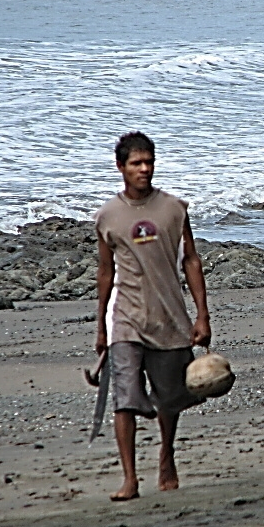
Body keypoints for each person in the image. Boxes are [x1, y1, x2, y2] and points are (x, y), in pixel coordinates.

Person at [95, 131, 212, 501]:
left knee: (170, 398)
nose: (144, 169)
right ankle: (129, 478)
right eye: (136, 164)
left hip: (170, 317)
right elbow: (105, 273)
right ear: (121, 168)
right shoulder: (107, 216)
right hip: (127, 318)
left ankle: (166, 454)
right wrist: (101, 326)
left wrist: (202, 315)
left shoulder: (174, 208)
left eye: (148, 162)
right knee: (124, 398)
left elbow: (191, 259)